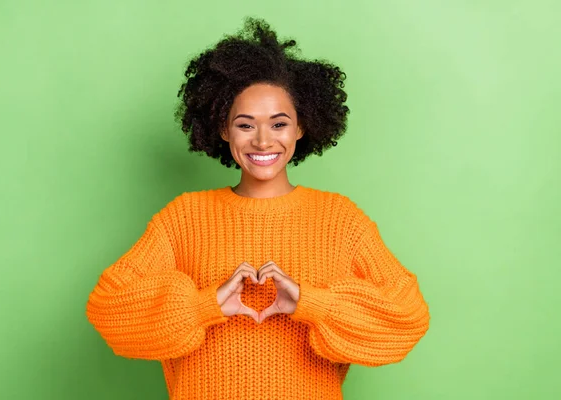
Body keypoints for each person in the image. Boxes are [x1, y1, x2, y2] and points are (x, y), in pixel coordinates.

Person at [85, 17, 430, 400]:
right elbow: (108, 307)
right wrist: (205, 305)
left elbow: (407, 318)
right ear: (222, 129)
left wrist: (310, 303)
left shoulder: (340, 220)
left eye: (279, 124)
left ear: (301, 127)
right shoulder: (183, 218)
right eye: (245, 125)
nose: (263, 141)